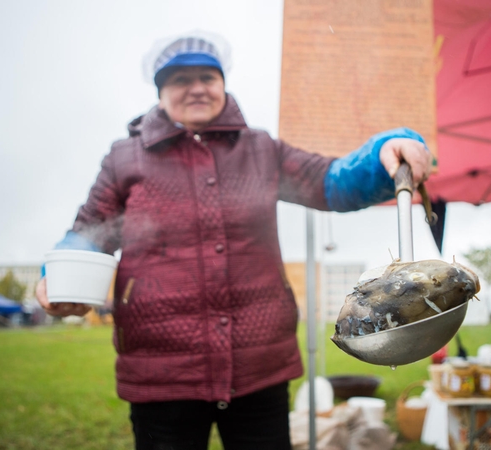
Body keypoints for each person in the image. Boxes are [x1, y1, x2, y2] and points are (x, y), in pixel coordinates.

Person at [36, 31, 432, 450]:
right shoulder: (124, 158)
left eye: (207, 77)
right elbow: (87, 231)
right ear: (160, 93)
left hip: (259, 364)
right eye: (179, 80)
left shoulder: (261, 149)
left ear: (223, 84)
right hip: (161, 371)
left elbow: (329, 181)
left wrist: (384, 150)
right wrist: (58, 274)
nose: (196, 88)